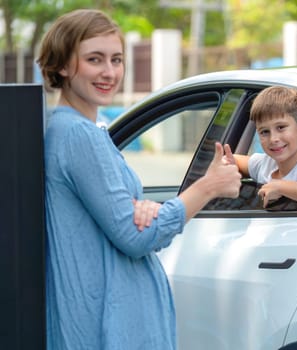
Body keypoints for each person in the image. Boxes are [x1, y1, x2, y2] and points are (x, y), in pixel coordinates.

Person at [37, 9, 241, 350]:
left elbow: (111, 217)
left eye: (116, 59)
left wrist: (145, 207)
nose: (109, 72)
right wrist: (209, 186)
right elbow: (133, 236)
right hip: (108, 332)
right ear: (62, 65)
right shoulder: (78, 137)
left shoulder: (71, 130)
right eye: (94, 59)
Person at [229, 85, 297, 208]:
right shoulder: (266, 163)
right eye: (264, 132)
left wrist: (279, 187)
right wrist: (225, 164)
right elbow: (235, 160)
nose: (273, 139)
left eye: (281, 127)